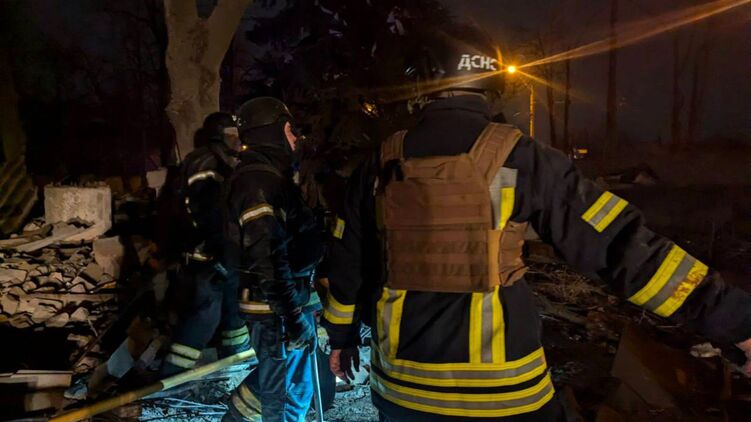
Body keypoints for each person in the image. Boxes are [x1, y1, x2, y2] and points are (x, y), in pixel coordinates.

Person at [322, 30, 751, 421]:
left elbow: (347, 264)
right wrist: (734, 320)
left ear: (422, 84)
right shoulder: (522, 157)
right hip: (504, 394)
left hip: (402, 389)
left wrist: (340, 338)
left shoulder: (381, 162)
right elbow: (621, 246)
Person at [222, 97, 325, 422]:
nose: (296, 138)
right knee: (281, 398)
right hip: (274, 311)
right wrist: (292, 318)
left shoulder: (268, 177)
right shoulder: (258, 183)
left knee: (292, 388)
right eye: (290, 130)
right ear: (273, 131)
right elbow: (267, 254)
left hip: (283, 303)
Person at [161, 112, 251, 376]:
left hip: (221, 253)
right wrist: (217, 247)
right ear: (220, 135)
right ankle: (171, 376)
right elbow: (206, 210)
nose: (238, 140)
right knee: (204, 317)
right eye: (233, 135)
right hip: (208, 256)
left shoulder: (218, 160)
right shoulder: (207, 163)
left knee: (233, 313)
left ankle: (236, 365)